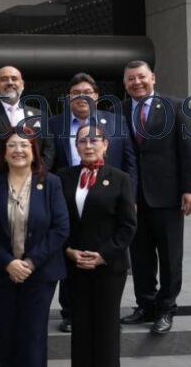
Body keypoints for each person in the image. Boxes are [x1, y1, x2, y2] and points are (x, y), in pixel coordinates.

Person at [0, 131, 69, 367]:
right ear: (3, 153)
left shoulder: (51, 183)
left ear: (34, 152)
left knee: (32, 339)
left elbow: (60, 228)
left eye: (24, 146)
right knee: (7, 336)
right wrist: (8, 262)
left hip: (39, 275)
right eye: (11, 146)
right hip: (3, 273)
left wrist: (30, 262)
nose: (18, 151)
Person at [56, 124, 137, 367]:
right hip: (75, 265)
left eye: (94, 140)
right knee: (82, 333)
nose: (88, 145)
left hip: (108, 268)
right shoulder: (63, 178)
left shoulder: (120, 179)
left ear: (106, 145)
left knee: (105, 333)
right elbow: (57, 220)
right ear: (76, 146)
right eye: (82, 141)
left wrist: (104, 255)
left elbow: (128, 225)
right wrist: (68, 250)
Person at [48, 72, 136, 333]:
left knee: (105, 246)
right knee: (70, 250)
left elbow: (130, 160)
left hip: (109, 198)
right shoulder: (54, 124)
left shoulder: (117, 122)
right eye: (76, 93)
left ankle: (105, 309)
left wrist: (131, 198)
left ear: (96, 96)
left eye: (87, 91)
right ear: (68, 99)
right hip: (68, 196)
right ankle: (70, 311)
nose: (82, 97)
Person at [120, 60, 191, 335]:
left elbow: (189, 150)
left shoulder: (175, 106)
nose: (137, 82)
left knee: (169, 255)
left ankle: (166, 308)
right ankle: (146, 305)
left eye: (141, 77)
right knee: (139, 256)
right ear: (125, 83)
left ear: (153, 78)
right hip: (132, 198)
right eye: (131, 79)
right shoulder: (118, 111)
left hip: (167, 196)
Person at [0, 66, 55, 177]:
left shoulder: (39, 115)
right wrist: (4, 174)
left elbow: (49, 149)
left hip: (35, 181)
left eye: (14, 79)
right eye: (4, 79)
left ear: (22, 84)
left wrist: (37, 173)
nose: (10, 82)